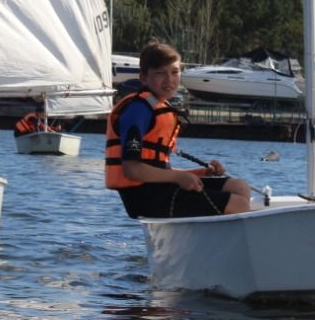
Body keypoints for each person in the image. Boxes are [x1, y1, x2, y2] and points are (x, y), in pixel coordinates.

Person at [105, 42, 252, 217]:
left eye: (174, 72)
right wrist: (178, 178)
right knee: (239, 204)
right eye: (160, 73)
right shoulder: (138, 110)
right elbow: (132, 169)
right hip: (144, 198)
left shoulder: (157, 106)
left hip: (159, 189)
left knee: (239, 187)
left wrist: (203, 172)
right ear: (143, 77)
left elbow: (162, 172)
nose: (169, 79)